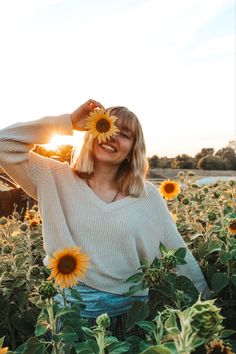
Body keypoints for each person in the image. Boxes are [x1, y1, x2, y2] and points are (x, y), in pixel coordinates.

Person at [0, 99, 211, 340]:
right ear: (91, 133)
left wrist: (207, 307)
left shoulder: (146, 194)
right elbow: (3, 143)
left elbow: (177, 252)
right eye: (106, 126)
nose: (112, 136)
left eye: (125, 134)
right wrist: (67, 122)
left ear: (133, 148)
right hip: (72, 314)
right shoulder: (53, 178)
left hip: (133, 317)